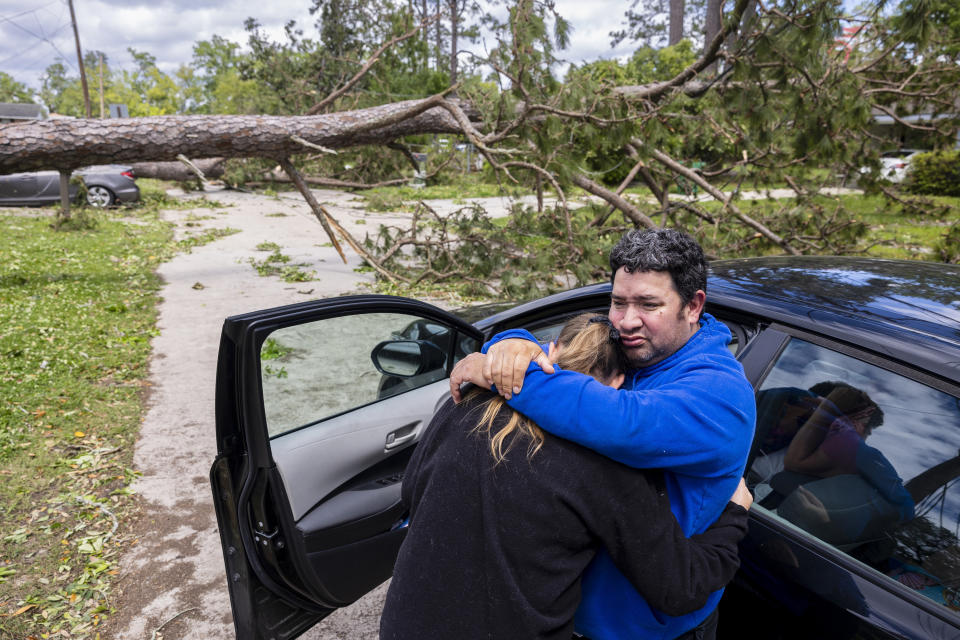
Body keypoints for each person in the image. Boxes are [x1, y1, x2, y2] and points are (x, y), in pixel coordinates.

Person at [449, 228, 757, 640]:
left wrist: (495, 373)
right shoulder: (642, 349)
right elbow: (563, 353)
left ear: (693, 305)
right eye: (617, 302)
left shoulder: (720, 394)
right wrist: (512, 343)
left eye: (649, 304)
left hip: (643, 627)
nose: (627, 321)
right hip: (571, 615)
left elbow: (622, 422)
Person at [380, 313, 753, 640]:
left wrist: (511, 343)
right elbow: (679, 588)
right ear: (619, 384)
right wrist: (734, 516)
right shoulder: (607, 464)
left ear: (552, 350)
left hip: (404, 623)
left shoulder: (466, 400)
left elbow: (413, 493)